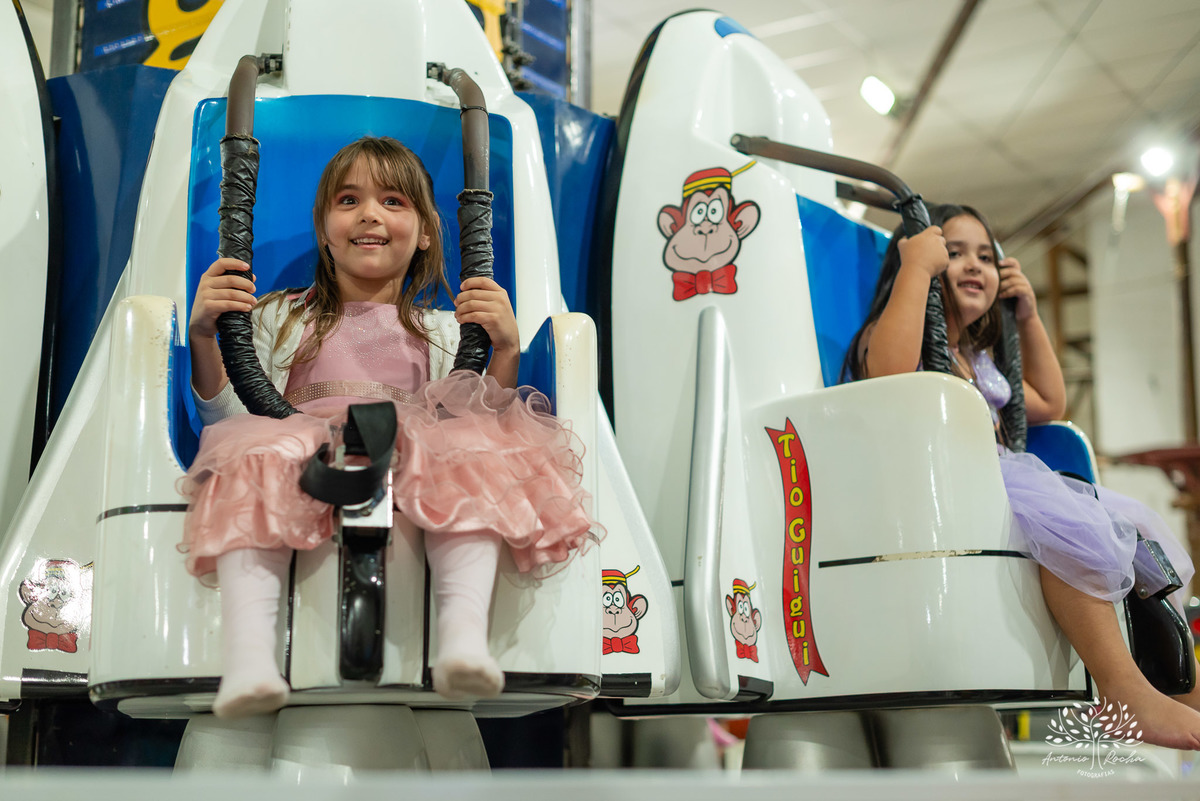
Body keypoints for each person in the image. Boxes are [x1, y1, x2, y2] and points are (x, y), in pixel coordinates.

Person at [179, 136, 595, 719]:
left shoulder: (447, 331)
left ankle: (461, 638)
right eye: (348, 200)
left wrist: (502, 347)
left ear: (426, 230)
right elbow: (229, 419)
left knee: (474, 449)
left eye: (393, 201)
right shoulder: (279, 316)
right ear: (324, 228)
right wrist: (205, 335)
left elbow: (480, 416)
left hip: (410, 461)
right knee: (259, 447)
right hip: (304, 450)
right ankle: (250, 658)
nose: (370, 213)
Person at [843, 202, 1200, 750]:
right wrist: (915, 269)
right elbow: (886, 372)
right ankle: (1122, 686)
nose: (972, 265)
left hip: (1003, 478)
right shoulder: (903, 340)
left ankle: (1182, 684)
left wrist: (1028, 317)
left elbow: (1052, 401)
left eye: (986, 256)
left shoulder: (979, 362)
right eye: (954, 251)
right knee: (1067, 522)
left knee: (1136, 534)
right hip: (954, 485)